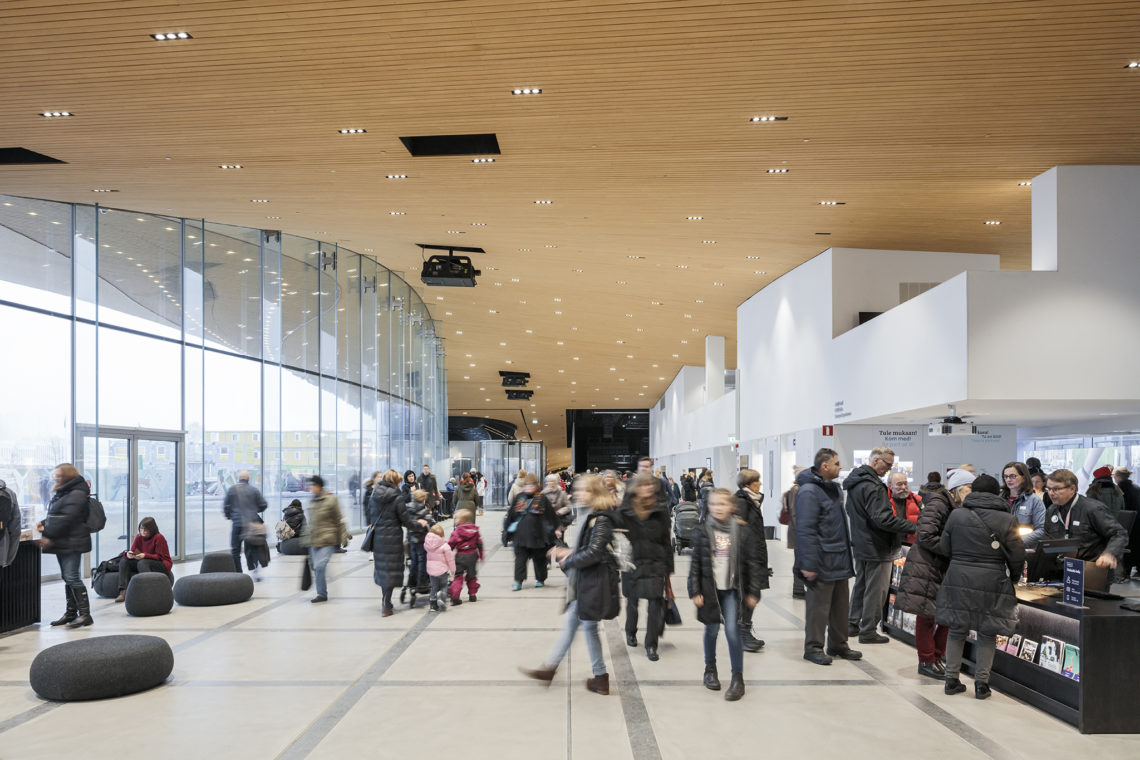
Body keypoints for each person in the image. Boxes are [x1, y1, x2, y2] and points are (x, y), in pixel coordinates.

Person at [521, 474, 620, 695]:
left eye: (584, 490)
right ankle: (589, 675)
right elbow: (589, 547)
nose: (577, 494)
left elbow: (594, 552)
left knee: (584, 627)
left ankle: (592, 675)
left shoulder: (601, 518)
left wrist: (568, 559)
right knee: (579, 627)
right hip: (585, 581)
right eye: (577, 490)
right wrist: (568, 552)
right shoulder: (588, 515)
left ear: (596, 494)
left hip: (591, 582)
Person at [936, 474, 1025, 700]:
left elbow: (945, 547)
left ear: (973, 491)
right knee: (987, 631)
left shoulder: (956, 515)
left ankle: (951, 680)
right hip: (992, 578)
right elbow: (1017, 556)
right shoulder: (1008, 519)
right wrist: (1013, 578)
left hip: (958, 576)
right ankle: (982, 685)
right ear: (997, 493)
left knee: (956, 629)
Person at [689, 487, 766, 701]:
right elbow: (695, 564)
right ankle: (710, 669)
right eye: (713, 504)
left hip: (732, 590)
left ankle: (737, 677)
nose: (718, 508)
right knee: (711, 630)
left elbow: (752, 564)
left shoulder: (743, 531)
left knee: (732, 631)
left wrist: (754, 591)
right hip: (710, 590)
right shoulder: (703, 531)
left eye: (722, 504)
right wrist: (694, 590)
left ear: (731, 507)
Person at [894, 469, 972, 679]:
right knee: (927, 614)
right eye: (969, 488)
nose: (971, 492)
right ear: (958, 488)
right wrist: (952, 549)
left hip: (942, 565)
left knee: (946, 614)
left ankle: (936, 657)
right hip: (927, 565)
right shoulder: (939, 502)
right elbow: (926, 535)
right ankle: (926, 660)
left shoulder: (957, 506)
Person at [795, 449, 861, 666]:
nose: (840, 467)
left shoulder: (834, 489)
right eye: (837, 463)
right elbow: (805, 531)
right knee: (818, 609)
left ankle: (839, 644)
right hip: (821, 562)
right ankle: (813, 647)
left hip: (839, 559)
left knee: (841, 607)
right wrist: (808, 563)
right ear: (825, 466)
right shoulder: (809, 492)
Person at [845, 447, 915, 644]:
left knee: (862, 584)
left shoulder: (856, 482)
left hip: (861, 543)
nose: (888, 469)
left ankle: (852, 624)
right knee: (877, 589)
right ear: (875, 461)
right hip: (878, 545)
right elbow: (883, 519)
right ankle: (868, 631)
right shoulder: (873, 486)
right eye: (887, 464)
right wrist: (912, 526)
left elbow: (851, 511)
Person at [614, 471, 674, 661]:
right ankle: (630, 631)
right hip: (633, 563)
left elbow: (666, 541)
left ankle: (651, 644)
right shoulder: (624, 511)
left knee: (654, 605)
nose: (648, 489)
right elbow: (616, 536)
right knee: (632, 602)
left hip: (655, 563)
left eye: (651, 486)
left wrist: (668, 572)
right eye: (643, 485)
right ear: (635, 489)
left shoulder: (661, 511)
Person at [1042, 469, 1128, 578]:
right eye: (1048, 489)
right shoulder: (1052, 510)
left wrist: (1109, 554)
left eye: (1056, 489)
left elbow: (1119, 533)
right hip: (1063, 569)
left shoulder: (1093, 509)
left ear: (1072, 489)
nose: (1051, 493)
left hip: (1092, 569)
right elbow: (1048, 538)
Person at [37, 463, 93, 628]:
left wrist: (47, 534)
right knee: (67, 577)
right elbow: (57, 515)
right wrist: (43, 523)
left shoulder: (76, 493)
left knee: (72, 577)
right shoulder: (65, 492)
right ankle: (71, 613)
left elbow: (66, 519)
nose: (55, 478)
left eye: (59, 475)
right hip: (65, 541)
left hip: (72, 541)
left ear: (67, 476)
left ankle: (85, 615)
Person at [369, 470, 427, 616]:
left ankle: (385, 600)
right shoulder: (397, 497)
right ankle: (386, 605)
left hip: (378, 538)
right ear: (395, 482)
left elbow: (370, 515)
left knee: (384, 570)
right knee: (391, 571)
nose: (400, 483)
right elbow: (406, 521)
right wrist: (419, 523)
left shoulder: (374, 495)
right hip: (393, 538)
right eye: (399, 481)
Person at [733, 469, 771, 652]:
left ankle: (744, 630)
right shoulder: (742, 502)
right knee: (749, 596)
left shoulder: (751, 501)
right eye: (757, 481)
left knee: (753, 595)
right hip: (746, 559)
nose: (760, 484)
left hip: (754, 556)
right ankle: (742, 633)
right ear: (748, 484)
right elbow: (741, 536)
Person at [504, 473, 561, 590]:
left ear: (536, 486)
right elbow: (511, 515)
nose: (528, 488)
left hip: (538, 535)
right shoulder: (519, 497)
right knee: (520, 559)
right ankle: (518, 581)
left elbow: (550, 515)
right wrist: (506, 530)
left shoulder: (541, 498)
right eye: (526, 485)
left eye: (531, 485)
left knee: (539, 559)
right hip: (520, 536)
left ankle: (540, 579)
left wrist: (556, 528)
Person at [306, 475, 347, 603]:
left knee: (319, 566)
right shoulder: (311, 502)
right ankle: (321, 592)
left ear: (318, 486)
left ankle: (322, 595)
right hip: (315, 539)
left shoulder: (331, 499)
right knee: (315, 567)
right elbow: (310, 522)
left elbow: (339, 519)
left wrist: (343, 536)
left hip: (329, 539)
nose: (310, 488)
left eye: (312, 485)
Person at [222, 470, 268, 579]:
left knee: (235, 550)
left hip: (237, 524)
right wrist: (254, 510)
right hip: (252, 524)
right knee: (254, 548)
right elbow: (263, 505)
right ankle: (256, 571)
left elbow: (225, 507)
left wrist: (231, 516)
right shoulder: (254, 490)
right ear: (248, 479)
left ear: (239, 478)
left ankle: (239, 574)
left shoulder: (232, 490)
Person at [115, 517, 173, 602]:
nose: (143, 532)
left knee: (142, 563)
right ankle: (123, 592)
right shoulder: (139, 537)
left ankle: (148, 591)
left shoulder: (159, 537)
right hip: (144, 560)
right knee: (124, 560)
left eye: (146, 529)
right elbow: (133, 550)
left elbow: (160, 557)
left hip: (162, 564)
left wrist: (145, 555)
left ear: (152, 529)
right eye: (141, 529)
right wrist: (128, 554)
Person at [1000, 461, 1046, 550]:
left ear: (1024, 478)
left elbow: (1041, 530)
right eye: (1006, 476)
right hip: (1000, 548)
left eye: (1013, 476)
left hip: (1023, 549)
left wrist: (1017, 542)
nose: (1008, 480)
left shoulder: (1034, 500)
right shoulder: (999, 499)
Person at [448, 509, 483, 603]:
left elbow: (451, 544)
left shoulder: (457, 532)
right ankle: (472, 595)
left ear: (462, 520)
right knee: (471, 576)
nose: (455, 520)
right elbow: (479, 543)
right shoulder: (475, 530)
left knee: (458, 576)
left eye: (456, 519)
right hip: (472, 556)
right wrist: (481, 555)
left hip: (460, 556)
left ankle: (455, 596)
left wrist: (447, 554)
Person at [782, 468, 805, 598]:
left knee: (800, 560)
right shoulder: (796, 490)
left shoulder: (796, 489)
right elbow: (795, 513)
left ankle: (799, 589)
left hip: (797, 531)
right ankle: (798, 590)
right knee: (800, 561)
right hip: (798, 532)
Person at [407, 489, 433, 595]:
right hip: (422, 540)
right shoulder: (425, 511)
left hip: (411, 540)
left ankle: (411, 583)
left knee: (414, 561)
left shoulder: (407, 509)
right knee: (422, 561)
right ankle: (422, 584)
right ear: (423, 500)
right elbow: (430, 524)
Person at [424, 523, 455, 611]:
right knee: (444, 586)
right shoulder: (445, 546)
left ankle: (433, 606)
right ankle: (441, 598)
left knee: (433, 587)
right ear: (441, 535)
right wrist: (453, 570)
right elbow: (450, 560)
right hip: (442, 571)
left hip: (431, 571)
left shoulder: (427, 545)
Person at [888, 472, 922, 545]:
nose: (903, 487)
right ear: (890, 486)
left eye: (905, 483)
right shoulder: (884, 501)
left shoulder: (917, 500)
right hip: (891, 545)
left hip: (912, 544)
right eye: (899, 484)